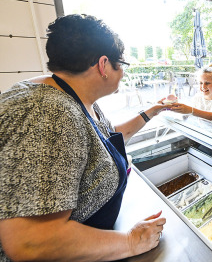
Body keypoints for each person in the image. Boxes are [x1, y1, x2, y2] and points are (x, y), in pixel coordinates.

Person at [0, 14, 169, 261]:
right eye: (120, 64)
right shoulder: (49, 113)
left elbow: (102, 140)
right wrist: (132, 242)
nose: (122, 73)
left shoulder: (73, 97)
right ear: (103, 65)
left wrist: (152, 111)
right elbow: (31, 242)